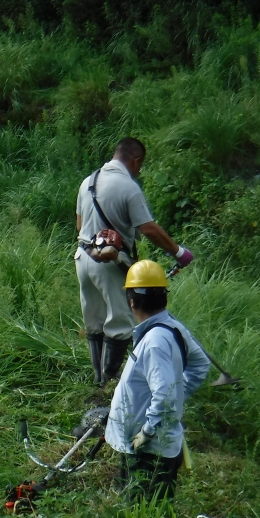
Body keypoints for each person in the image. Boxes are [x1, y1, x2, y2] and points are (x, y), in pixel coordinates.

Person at [75, 137, 194, 384]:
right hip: (109, 263)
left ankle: (98, 380)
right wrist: (178, 252)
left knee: (95, 322)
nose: (139, 171)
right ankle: (110, 385)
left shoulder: (88, 182)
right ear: (135, 161)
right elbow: (148, 228)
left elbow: (79, 225)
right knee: (120, 322)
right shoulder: (128, 187)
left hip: (83, 258)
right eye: (140, 166)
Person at [105, 260, 210, 501]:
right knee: (150, 513)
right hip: (150, 441)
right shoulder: (172, 327)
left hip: (148, 449)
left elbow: (164, 393)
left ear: (132, 300)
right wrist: (177, 396)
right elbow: (200, 364)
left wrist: (148, 430)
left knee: (141, 515)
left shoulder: (154, 342)